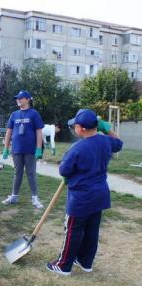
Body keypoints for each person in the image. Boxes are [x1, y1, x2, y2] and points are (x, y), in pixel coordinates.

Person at [46, 109, 122, 276]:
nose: (74, 128)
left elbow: (64, 170)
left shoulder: (77, 148)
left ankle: (64, 265)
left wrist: (68, 174)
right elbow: (119, 143)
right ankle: (85, 261)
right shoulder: (106, 141)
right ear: (97, 126)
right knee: (91, 230)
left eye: (75, 126)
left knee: (73, 230)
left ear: (80, 128)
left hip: (81, 199)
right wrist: (107, 128)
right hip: (99, 195)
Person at [2, 90, 44, 209]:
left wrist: (39, 148)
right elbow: (9, 132)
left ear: (28, 99)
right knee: (17, 173)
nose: (18, 100)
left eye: (21, 98)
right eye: (17, 98)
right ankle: (14, 196)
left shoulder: (34, 114)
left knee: (31, 173)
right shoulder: (14, 114)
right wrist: (6, 148)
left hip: (30, 149)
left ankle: (35, 198)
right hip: (16, 149)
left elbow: (39, 131)